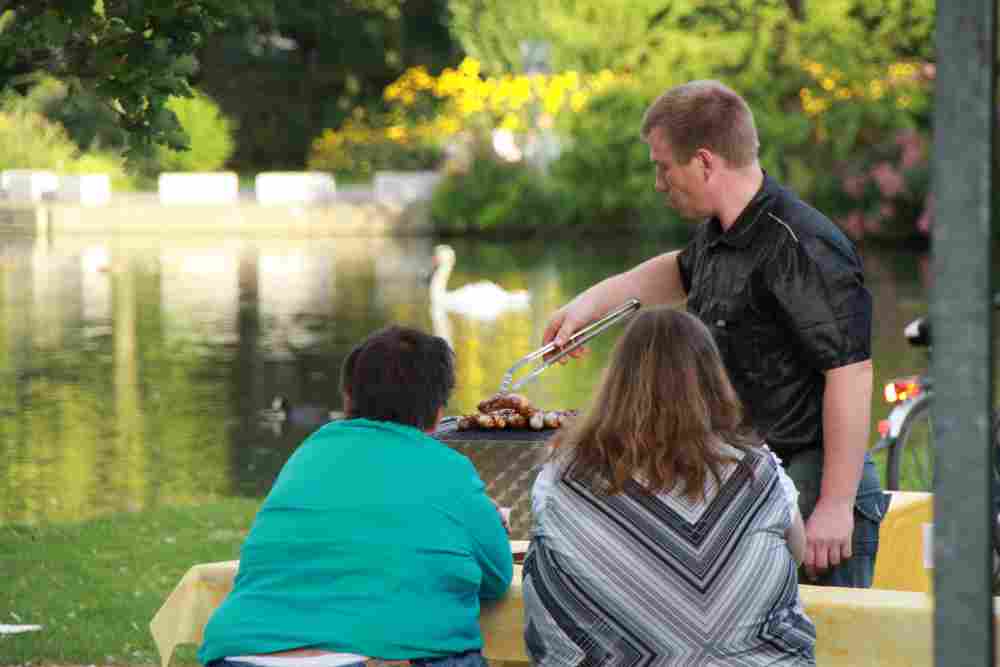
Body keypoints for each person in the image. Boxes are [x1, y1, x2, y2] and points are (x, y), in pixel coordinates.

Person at [543, 80, 887, 587]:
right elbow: (675, 271)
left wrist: (836, 505)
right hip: (757, 480)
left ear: (704, 162)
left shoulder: (802, 245)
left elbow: (851, 372)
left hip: (818, 486)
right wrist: (585, 307)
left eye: (664, 167)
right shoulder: (721, 234)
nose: (659, 183)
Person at [198, 325, 513, 667]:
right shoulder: (450, 468)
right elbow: (497, 578)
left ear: (348, 397)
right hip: (378, 658)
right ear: (439, 412)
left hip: (240, 654)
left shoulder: (310, 452)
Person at [524, 307, 815, 665]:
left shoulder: (563, 475)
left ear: (616, 381)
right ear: (711, 381)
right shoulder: (760, 470)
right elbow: (795, 554)